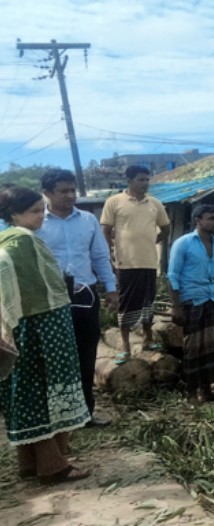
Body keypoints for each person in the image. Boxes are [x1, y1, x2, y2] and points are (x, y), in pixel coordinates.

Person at [0, 186, 91, 484]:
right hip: (43, 328)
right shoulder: (22, 242)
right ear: (15, 214)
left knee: (27, 391)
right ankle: (53, 466)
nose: (41, 216)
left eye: (42, 210)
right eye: (35, 211)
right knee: (50, 390)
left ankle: (30, 463)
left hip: (22, 327)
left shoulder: (9, 240)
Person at [37, 169, 118, 427]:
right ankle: (54, 414)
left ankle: (85, 413)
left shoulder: (87, 220)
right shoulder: (36, 223)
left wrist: (111, 288)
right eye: (64, 191)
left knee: (86, 354)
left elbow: (100, 256)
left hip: (85, 296)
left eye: (73, 190)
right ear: (47, 193)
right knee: (52, 356)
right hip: (48, 299)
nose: (71, 195)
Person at [100, 165, 170, 364]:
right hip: (126, 263)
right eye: (141, 179)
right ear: (129, 181)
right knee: (127, 303)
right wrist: (111, 252)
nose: (145, 183)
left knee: (148, 302)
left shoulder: (155, 203)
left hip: (149, 262)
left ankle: (148, 339)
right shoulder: (114, 202)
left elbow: (166, 227)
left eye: (147, 179)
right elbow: (106, 230)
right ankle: (125, 344)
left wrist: (153, 240)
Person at [167, 204, 214, 405]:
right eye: (211, 218)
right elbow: (172, 275)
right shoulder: (183, 243)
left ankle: (206, 391)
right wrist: (176, 306)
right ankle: (190, 393)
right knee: (192, 349)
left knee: (211, 348)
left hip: (211, 301)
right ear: (198, 220)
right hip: (190, 301)